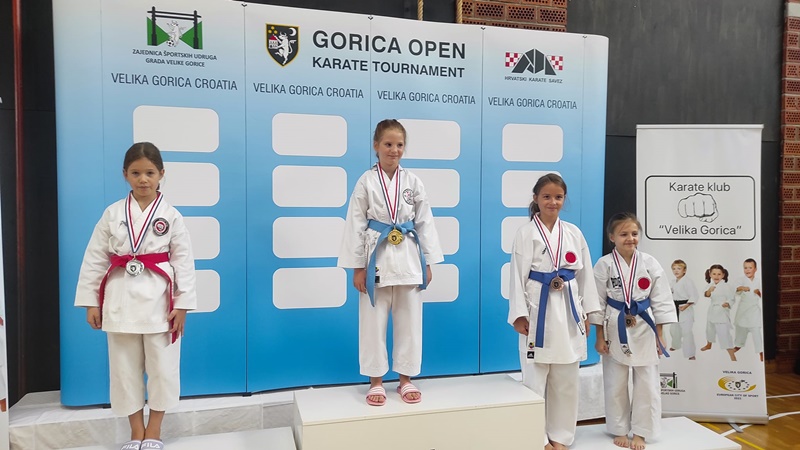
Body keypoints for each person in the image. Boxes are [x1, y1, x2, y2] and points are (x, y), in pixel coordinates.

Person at [75, 142, 197, 450]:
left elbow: (184, 262)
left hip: (161, 302)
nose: (143, 179)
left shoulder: (171, 216)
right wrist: (91, 302)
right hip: (120, 299)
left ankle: (154, 429)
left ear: (162, 174)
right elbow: (95, 258)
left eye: (150, 173)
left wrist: (183, 305)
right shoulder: (113, 213)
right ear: (125, 175)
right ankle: (136, 431)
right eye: (136, 173)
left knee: (162, 369)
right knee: (124, 370)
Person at [338, 119, 444, 406]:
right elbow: (355, 224)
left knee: (410, 321)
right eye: (388, 144)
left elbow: (424, 222)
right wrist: (357, 267)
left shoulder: (413, 182)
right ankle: (376, 381)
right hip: (376, 257)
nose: (394, 150)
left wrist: (428, 262)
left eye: (399, 145)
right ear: (376, 146)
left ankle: (405, 378)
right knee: (373, 322)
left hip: (409, 256)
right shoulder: (366, 181)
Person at [507, 173, 601, 450]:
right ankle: (537, 438)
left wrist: (588, 313)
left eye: (558, 197)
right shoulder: (526, 233)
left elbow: (585, 275)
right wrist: (519, 314)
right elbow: (517, 275)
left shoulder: (573, 232)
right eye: (546, 196)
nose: (553, 202)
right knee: (534, 378)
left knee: (567, 378)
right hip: (538, 308)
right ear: (535, 199)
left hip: (569, 309)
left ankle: (561, 436)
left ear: (564, 199)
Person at [591, 212, 676, 450]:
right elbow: (597, 302)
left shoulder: (650, 263)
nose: (630, 238)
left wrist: (660, 335)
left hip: (645, 326)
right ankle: (619, 428)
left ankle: (641, 431)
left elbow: (661, 299)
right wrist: (599, 337)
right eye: (624, 234)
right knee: (615, 381)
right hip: (614, 324)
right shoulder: (604, 264)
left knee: (647, 382)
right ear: (612, 237)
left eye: (634, 233)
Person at [699, 264, 737, 361]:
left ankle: (732, 355)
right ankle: (709, 344)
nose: (716, 276)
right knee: (709, 329)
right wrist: (709, 290)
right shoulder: (710, 285)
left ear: (723, 275)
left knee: (724, 334)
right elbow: (706, 295)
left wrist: (728, 303)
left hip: (721, 310)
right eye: (714, 274)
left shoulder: (726, 286)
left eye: (719, 274)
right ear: (710, 274)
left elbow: (732, 298)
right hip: (712, 310)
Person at [668, 260, 699, 360]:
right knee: (673, 329)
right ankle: (676, 345)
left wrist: (687, 305)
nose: (676, 271)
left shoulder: (688, 281)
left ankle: (691, 354)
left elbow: (694, 295)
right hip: (675, 307)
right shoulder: (673, 282)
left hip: (685, 307)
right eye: (674, 269)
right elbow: (668, 292)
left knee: (687, 331)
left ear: (684, 270)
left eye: (679, 268)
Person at [733, 259, 763, 361]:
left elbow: (762, 296)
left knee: (756, 331)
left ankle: (760, 351)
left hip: (754, 310)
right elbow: (735, 289)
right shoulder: (741, 280)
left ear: (755, 269)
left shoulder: (758, 281)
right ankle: (738, 345)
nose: (747, 270)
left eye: (750, 268)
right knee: (740, 329)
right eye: (745, 268)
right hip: (743, 309)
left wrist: (758, 292)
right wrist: (742, 288)